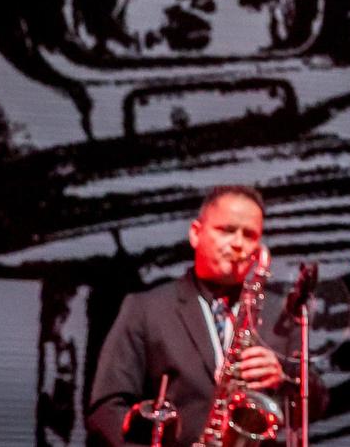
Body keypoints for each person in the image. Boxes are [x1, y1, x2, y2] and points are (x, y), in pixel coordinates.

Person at [86, 185, 327, 445]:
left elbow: (317, 405)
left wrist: (285, 379)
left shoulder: (281, 313)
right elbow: (105, 409)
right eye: (226, 230)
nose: (238, 244)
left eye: (249, 235)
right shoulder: (146, 308)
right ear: (195, 233)